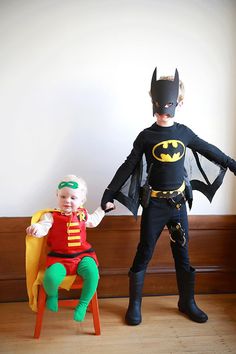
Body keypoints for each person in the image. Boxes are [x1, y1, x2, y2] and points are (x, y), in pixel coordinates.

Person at [101, 68, 236, 325]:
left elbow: (208, 150)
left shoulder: (184, 133)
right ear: (152, 103)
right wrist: (109, 193)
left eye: (169, 107)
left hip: (178, 204)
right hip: (154, 205)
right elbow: (128, 165)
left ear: (179, 104)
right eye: (158, 107)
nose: (163, 113)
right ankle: (135, 305)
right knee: (145, 251)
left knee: (182, 254)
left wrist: (231, 163)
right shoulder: (146, 136)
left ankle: (187, 302)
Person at [26, 174, 111, 322]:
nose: (67, 201)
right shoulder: (51, 216)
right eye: (63, 196)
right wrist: (35, 229)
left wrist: (102, 209)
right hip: (59, 259)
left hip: (83, 256)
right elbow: (43, 228)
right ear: (57, 196)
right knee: (50, 278)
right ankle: (52, 295)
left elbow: (94, 221)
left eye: (73, 198)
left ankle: (83, 304)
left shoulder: (82, 214)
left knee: (93, 273)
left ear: (82, 201)